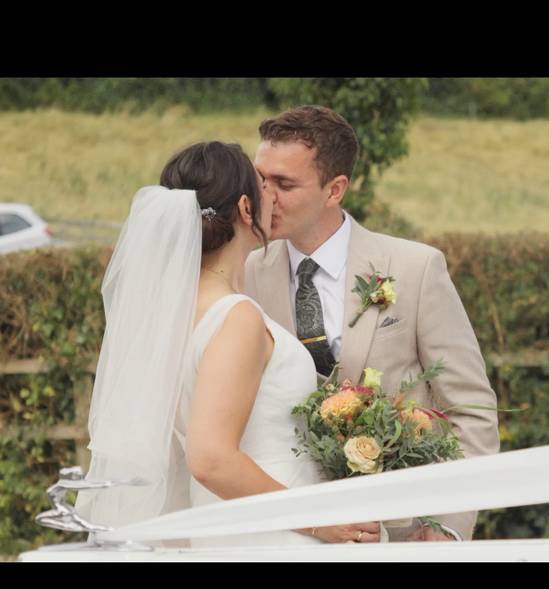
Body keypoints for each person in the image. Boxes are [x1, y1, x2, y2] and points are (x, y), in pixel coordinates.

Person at [75, 141, 379, 545]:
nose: (272, 195)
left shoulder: (171, 311)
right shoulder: (236, 316)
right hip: (268, 536)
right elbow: (210, 458)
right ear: (246, 208)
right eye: (263, 186)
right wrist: (314, 519)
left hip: (226, 522)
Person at [245, 105, 501, 541]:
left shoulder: (415, 268)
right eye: (261, 179)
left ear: (335, 189)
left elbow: (471, 408)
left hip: (399, 533)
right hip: (284, 529)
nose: (265, 196)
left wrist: (447, 526)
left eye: (284, 184)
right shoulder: (246, 274)